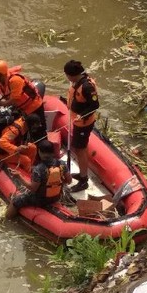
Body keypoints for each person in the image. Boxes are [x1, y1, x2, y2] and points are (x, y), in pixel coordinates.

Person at [0, 60, 46, 139]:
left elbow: (14, 101)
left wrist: (0, 103)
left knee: (39, 133)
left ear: (0, 75)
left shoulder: (15, 80)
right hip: (21, 109)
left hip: (34, 107)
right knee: (4, 124)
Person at [62, 60, 100, 193]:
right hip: (77, 121)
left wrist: (82, 115)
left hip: (83, 123)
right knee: (79, 148)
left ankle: (83, 180)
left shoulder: (87, 87)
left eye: (67, 74)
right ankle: (82, 174)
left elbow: (95, 105)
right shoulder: (77, 81)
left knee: (80, 149)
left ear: (72, 75)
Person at [5, 139, 64, 219]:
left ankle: (7, 218)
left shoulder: (38, 169)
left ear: (39, 151)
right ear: (52, 152)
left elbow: (33, 189)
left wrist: (19, 176)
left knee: (16, 201)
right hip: (56, 196)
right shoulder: (62, 164)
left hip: (41, 199)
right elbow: (69, 180)